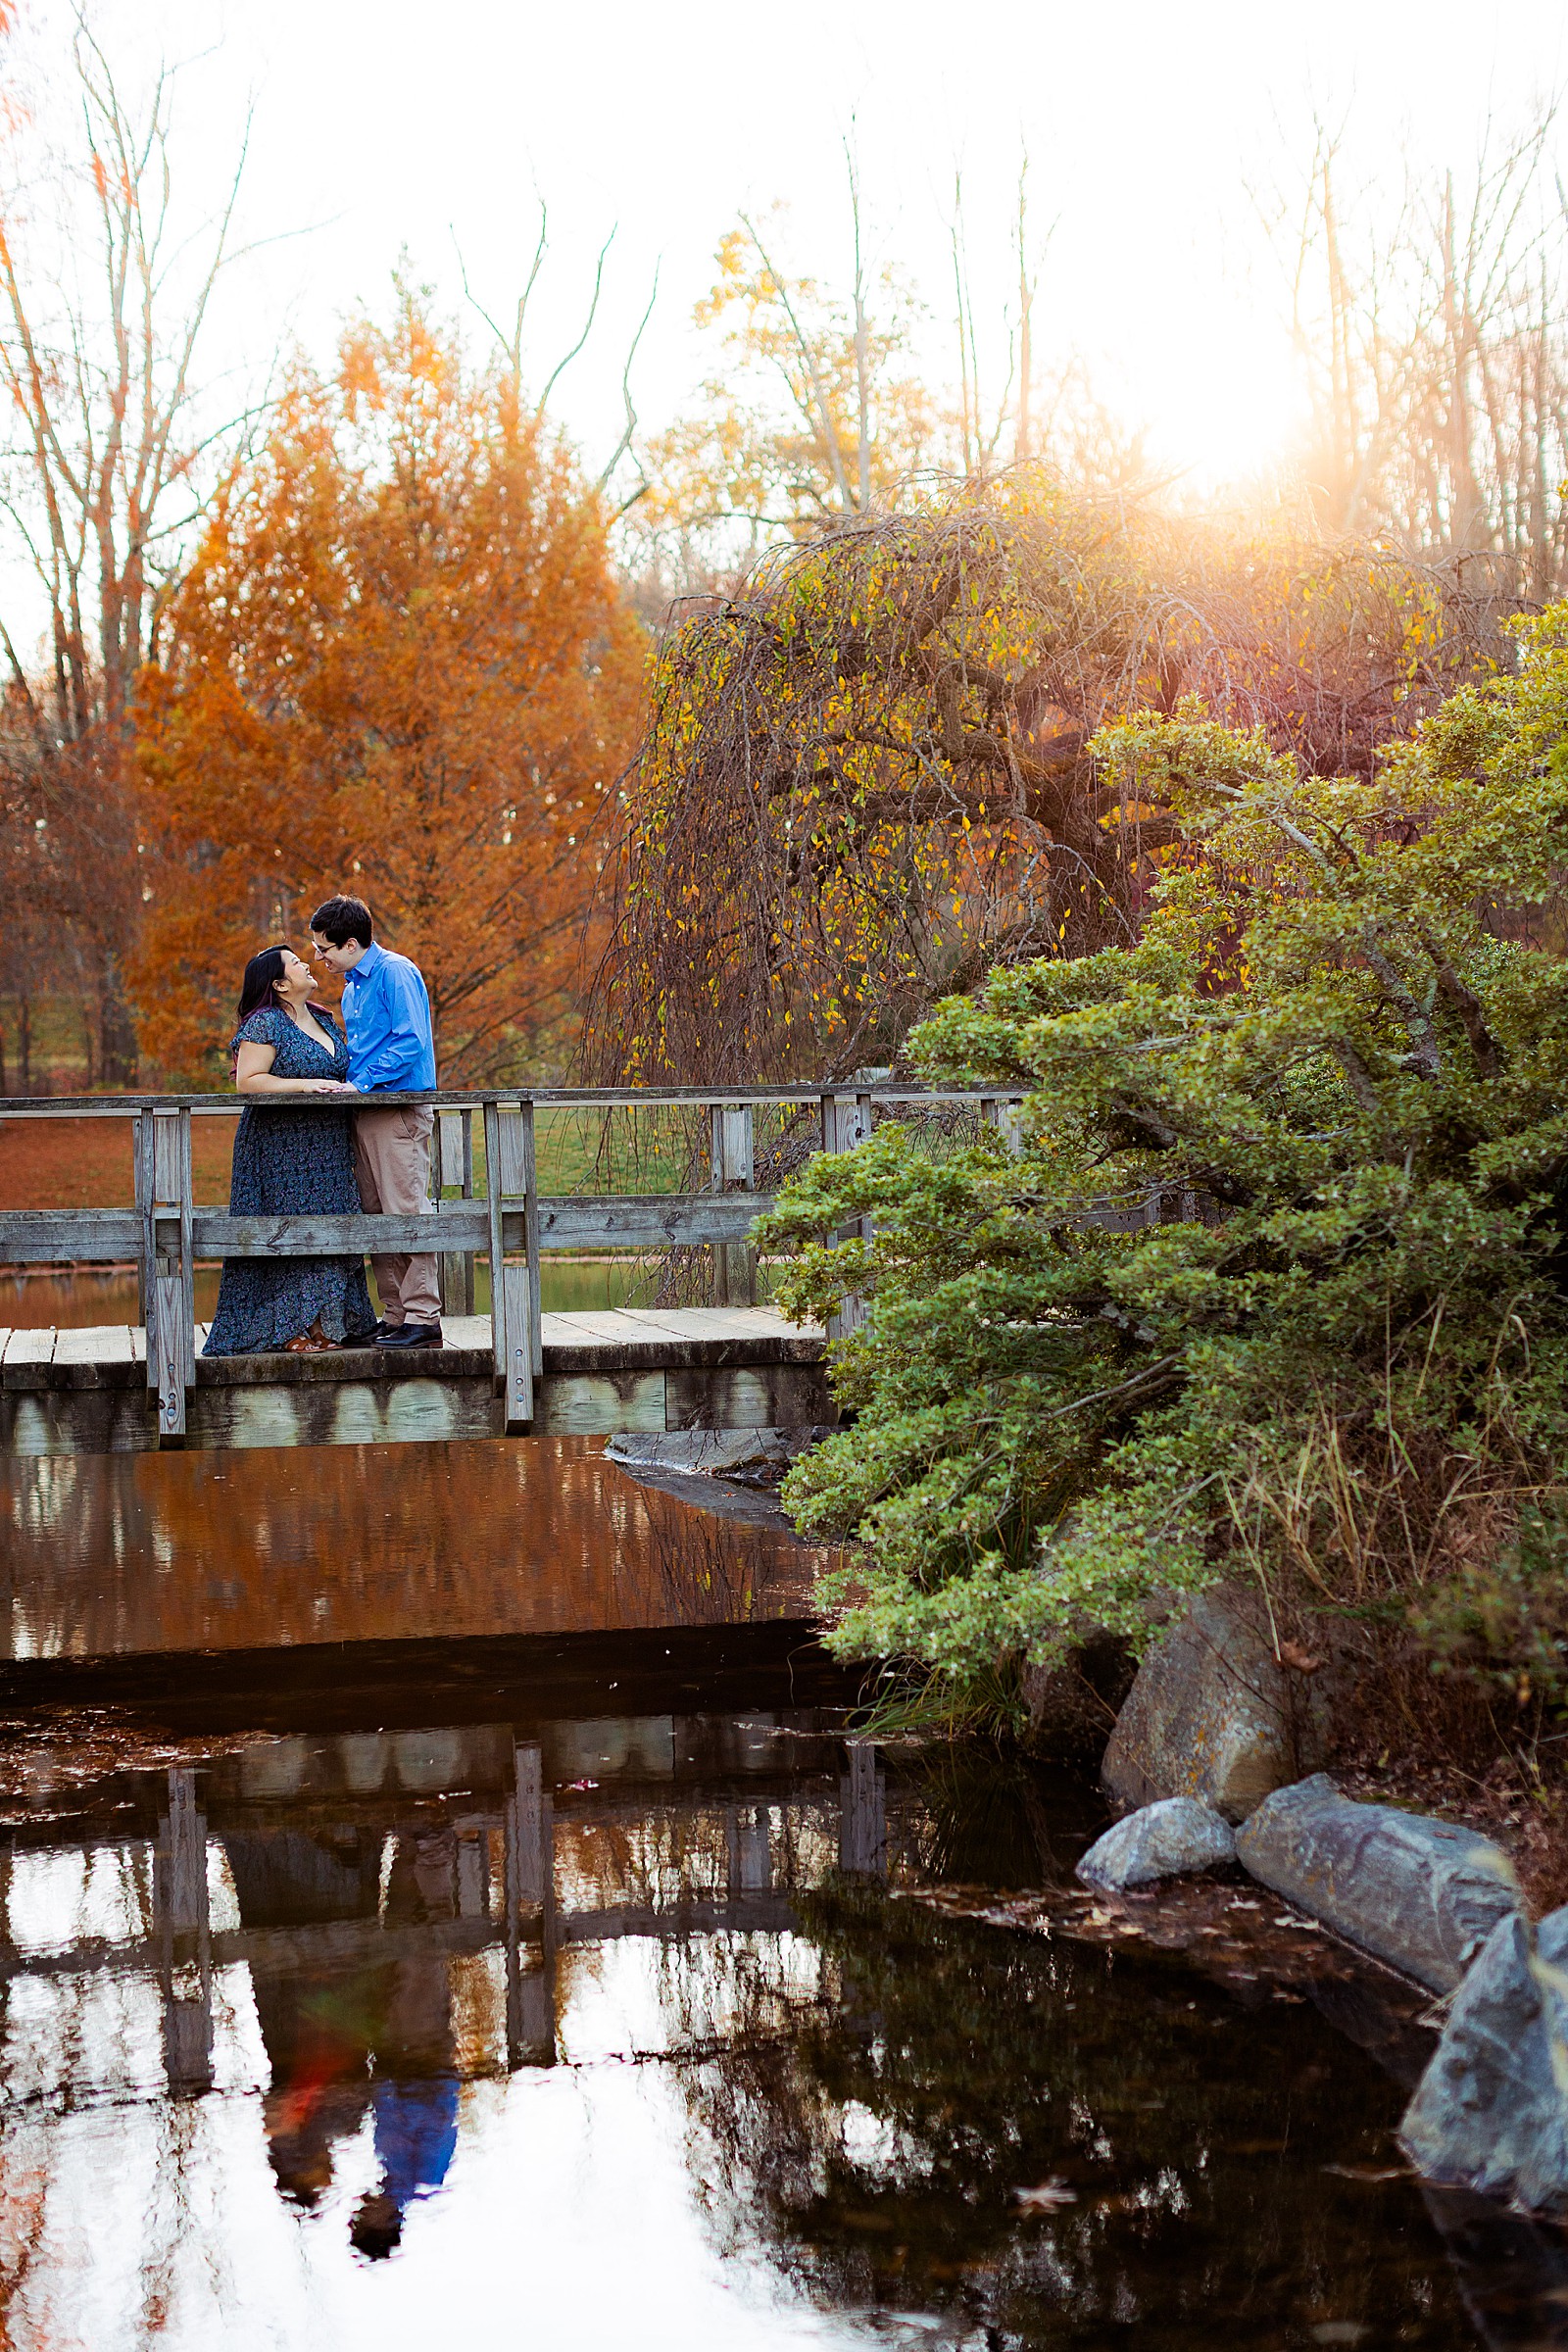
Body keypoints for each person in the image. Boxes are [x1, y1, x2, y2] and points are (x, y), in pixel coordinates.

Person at [203, 947, 378, 1356]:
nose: (305, 963)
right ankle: (285, 1328)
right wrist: (303, 1085)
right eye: (295, 962)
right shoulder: (265, 1022)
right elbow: (247, 1081)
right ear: (280, 984)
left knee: (330, 1224)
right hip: (279, 1148)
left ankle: (321, 1322)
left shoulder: (322, 1018)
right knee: (287, 1230)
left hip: (328, 1146)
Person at [309, 895, 442, 1348]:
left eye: (323, 949)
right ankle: (396, 1315)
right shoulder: (352, 987)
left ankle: (424, 1318)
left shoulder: (395, 972)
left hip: (397, 1110)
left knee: (406, 1211)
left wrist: (360, 1082)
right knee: (375, 1215)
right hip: (363, 1110)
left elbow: (410, 1042)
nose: (317, 957)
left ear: (350, 943)